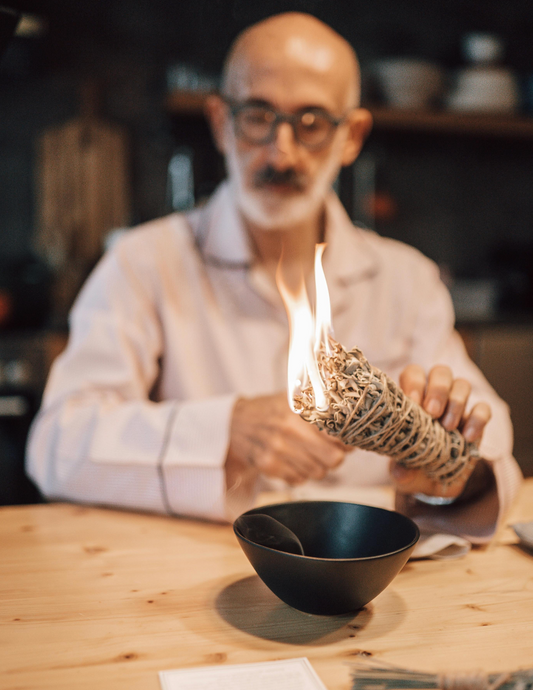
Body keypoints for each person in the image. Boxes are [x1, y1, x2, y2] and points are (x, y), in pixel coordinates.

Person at [26, 12, 521, 541]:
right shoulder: (142, 262)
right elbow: (56, 444)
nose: (280, 153)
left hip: (374, 578)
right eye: (258, 116)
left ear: (351, 136)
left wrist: (448, 472)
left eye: (311, 122)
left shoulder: (407, 279)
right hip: (189, 574)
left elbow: (492, 443)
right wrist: (225, 430)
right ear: (220, 122)